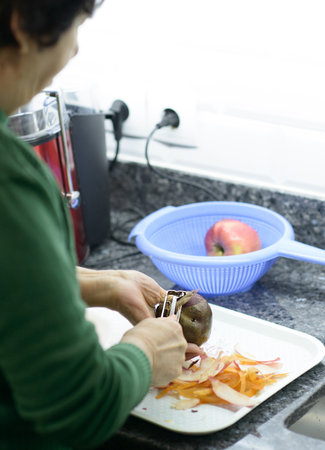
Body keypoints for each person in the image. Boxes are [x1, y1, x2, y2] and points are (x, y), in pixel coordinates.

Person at [0, 1, 202, 448]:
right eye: (77, 26)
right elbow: (78, 408)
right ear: (22, 24)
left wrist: (99, 283)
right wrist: (147, 351)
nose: (73, 52)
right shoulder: (9, 179)